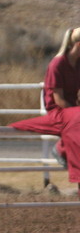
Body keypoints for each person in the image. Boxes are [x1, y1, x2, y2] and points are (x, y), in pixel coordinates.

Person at [10, 27, 80, 195]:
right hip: (58, 109)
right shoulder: (58, 64)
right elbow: (58, 99)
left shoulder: (77, 65)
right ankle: (62, 150)